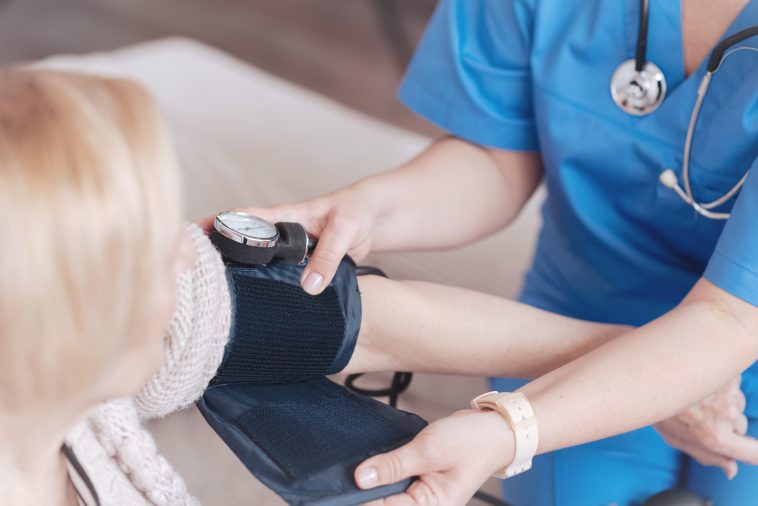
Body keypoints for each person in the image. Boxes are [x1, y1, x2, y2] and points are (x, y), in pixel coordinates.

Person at [0, 66, 655, 506]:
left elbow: (337, 317)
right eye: (147, 249)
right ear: (60, 319)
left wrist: (635, 360)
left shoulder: (67, 403)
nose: (186, 253)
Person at [234, 0, 758, 504]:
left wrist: (512, 428)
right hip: (578, 311)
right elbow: (497, 158)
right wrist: (369, 209)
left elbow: (729, 317)